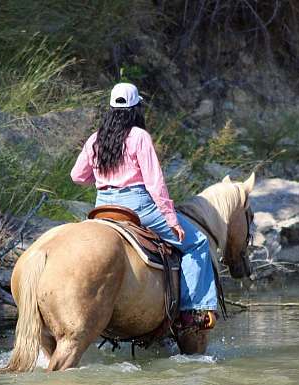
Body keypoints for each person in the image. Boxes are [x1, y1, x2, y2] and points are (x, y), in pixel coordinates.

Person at [70, 82, 218, 330]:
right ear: (136, 108)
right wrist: (170, 218)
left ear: (110, 108)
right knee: (198, 243)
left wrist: (102, 179)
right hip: (137, 207)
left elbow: (77, 176)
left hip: (102, 207)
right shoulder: (139, 137)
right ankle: (191, 310)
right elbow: (155, 182)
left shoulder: (95, 139)